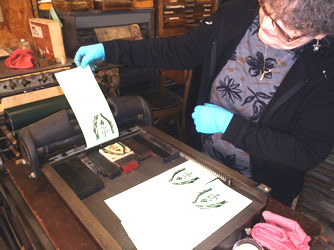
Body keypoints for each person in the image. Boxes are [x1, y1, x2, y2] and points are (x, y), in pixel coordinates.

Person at [74, 0, 334, 206]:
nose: (266, 26)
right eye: (267, 9)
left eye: (284, 31)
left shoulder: (325, 69)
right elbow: (177, 50)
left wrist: (230, 126)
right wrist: (111, 50)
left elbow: (307, 151)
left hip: (263, 187)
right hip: (203, 164)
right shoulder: (235, 16)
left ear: (319, 34)